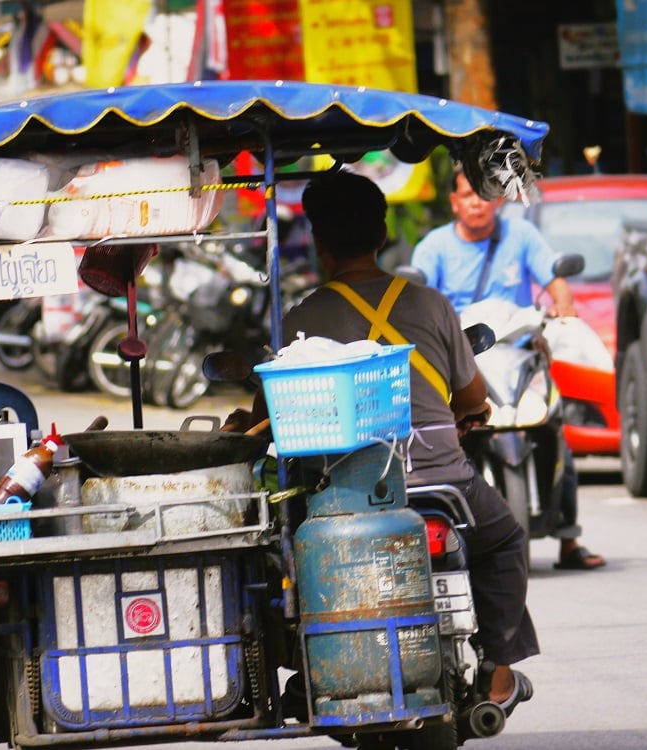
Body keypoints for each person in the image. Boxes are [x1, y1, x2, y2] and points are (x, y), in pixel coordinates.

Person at [228, 170, 537, 716]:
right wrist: (465, 413)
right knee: (505, 541)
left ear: (320, 244)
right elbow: (471, 394)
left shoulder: (300, 318)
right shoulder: (431, 304)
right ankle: (498, 672)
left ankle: (304, 669)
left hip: (342, 492)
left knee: (281, 554)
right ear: (384, 232)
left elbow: (269, 419)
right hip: (443, 480)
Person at [411, 164, 606, 571]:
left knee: (554, 424)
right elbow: (419, 293)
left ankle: (569, 539)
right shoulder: (433, 247)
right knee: (447, 436)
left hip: (520, 354)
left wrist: (563, 306)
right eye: (467, 196)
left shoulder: (522, 236)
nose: (476, 204)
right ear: (454, 202)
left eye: (483, 195)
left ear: (498, 199)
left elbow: (555, 280)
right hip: (464, 361)